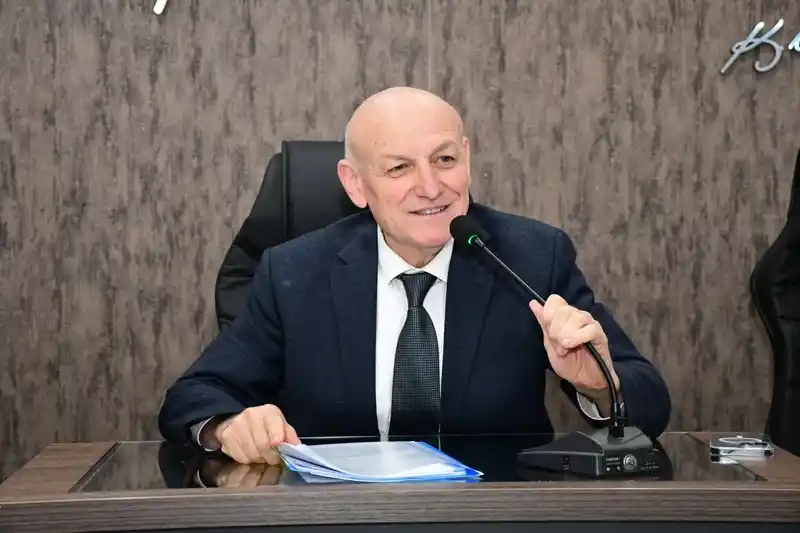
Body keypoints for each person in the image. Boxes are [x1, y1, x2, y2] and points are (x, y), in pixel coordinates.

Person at [158, 87, 671, 465]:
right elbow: (195, 395)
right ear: (355, 184)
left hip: (493, 516)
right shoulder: (295, 272)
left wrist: (600, 384)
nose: (430, 186)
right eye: (399, 168)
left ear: (466, 158)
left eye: (444, 159)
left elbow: (650, 401)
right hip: (339, 519)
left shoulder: (532, 257)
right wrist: (229, 427)